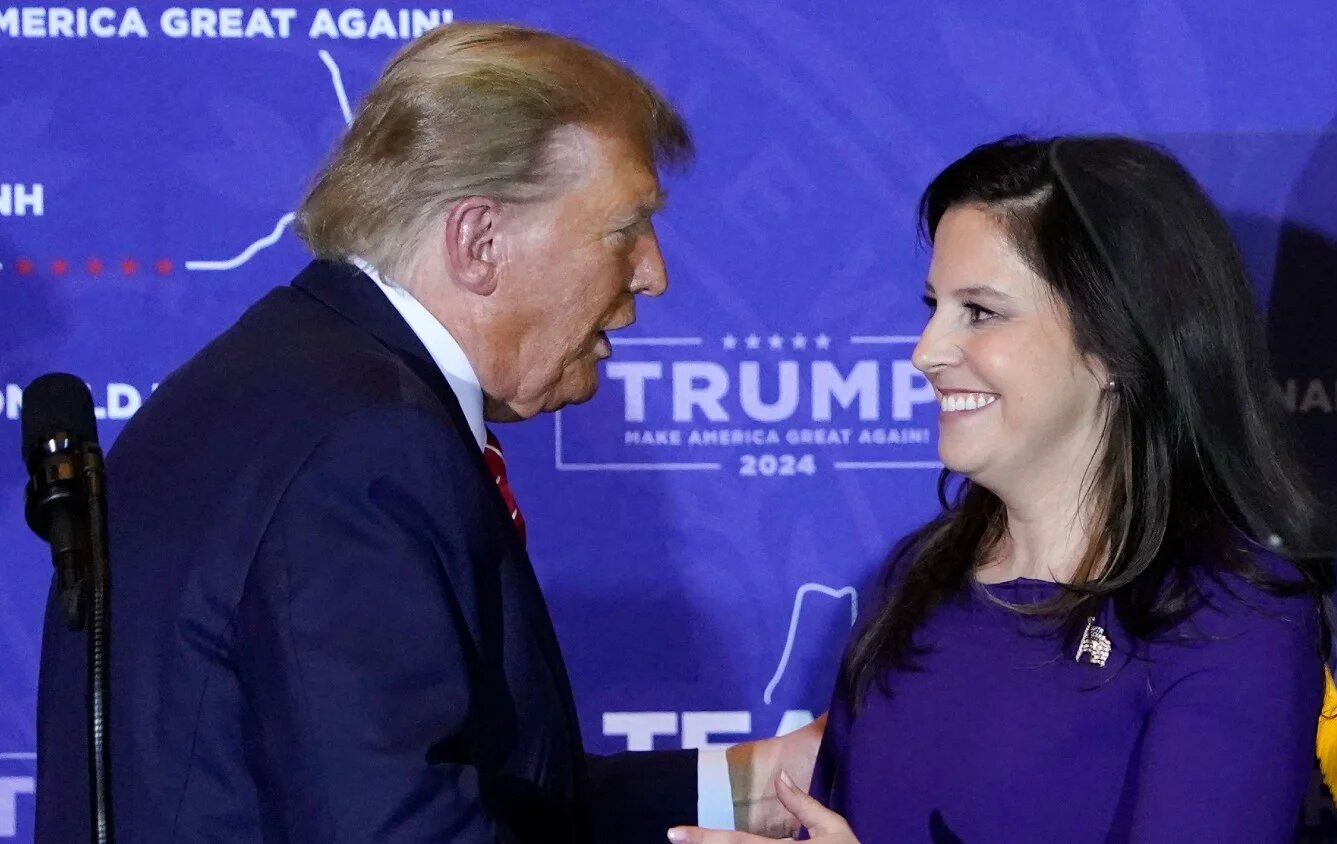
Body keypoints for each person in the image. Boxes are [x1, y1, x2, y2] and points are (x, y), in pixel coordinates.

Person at [33, 22, 818, 843]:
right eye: (626, 227)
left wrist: (742, 787)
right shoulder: (365, 446)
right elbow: (398, 830)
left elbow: (432, 788)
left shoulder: (297, 383)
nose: (653, 272)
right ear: (479, 241)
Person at [671, 135, 1331, 844]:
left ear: (1114, 343)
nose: (926, 352)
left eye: (980, 312)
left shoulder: (1225, 611)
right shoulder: (915, 583)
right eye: (933, 306)